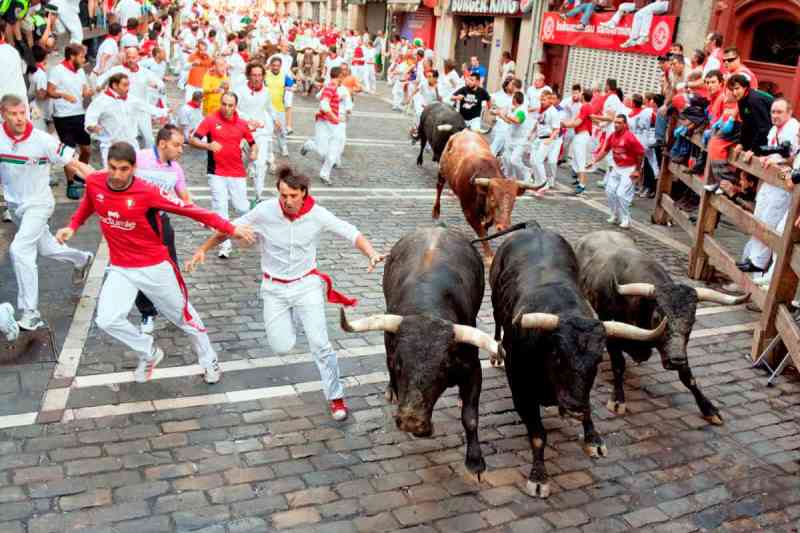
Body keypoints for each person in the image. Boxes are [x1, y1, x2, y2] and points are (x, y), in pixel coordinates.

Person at [186, 166, 384, 421]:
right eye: (282, 195)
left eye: (292, 196)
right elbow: (229, 227)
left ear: (304, 193)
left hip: (306, 285)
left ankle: (336, 397)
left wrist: (371, 253)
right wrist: (204, 248)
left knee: (321, 344)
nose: (286, 201)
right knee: (281, 346)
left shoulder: (318, 215)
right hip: (274, 288)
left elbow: (351, 232)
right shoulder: (265, 211)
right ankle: (292, 318)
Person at [56, 141, 255, 384]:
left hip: (154, 267)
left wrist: (230, 228)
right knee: (106, 319)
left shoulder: (147, 191)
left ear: (134, 167)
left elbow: (192, 210)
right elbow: (89, 204)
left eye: (124, 169)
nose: (117, 175)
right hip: (121, 267)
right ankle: (149, 352)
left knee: (185, 318)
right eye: (113, 168)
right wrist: (72, 226)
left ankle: (209, 359)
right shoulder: (97, 181)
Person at [0, 94, 96, 331]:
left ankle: (30, 313)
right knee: (46, 248)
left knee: (20, 249)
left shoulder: (43, 140)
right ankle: (82, 259)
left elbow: (74, 163)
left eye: (23, 112)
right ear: (3, 114)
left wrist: (103, 182)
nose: (20, 118)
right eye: (14, 114)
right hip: (16, 206)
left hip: (40, 204)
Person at [132, 125, 192, 333]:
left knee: (171, 268)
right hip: (136, 225)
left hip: (161, 223)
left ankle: (179, 309)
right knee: (141, 270)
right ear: (162, 143)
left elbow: (185, 199)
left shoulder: (176, 169)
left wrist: (204, 219)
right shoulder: (139, 158)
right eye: (177, 145)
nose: (181, 150)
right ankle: (147, 313)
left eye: (182, 145)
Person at [190, 92, 257, 258]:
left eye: (231, 105)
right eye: (224, 104)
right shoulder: (210, 120)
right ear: (221, 103)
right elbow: (192, 140)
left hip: (237, 172)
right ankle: (224, 246)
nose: (227, 108)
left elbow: (253, 144)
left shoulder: (242, 124)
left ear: (236, 106)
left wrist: (254, 153)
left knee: (241, 207)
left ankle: (253, 214)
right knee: (221, 209)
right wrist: (207, 145)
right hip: (216, 172)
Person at [737, 98, 799, 275]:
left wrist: (778, 164)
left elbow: (793, 162)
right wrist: (769, 158)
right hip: (771, 181)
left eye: (779, 112)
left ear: (789, 112)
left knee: (771, 224)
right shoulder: (774, 130)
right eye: (773, 112)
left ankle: (760, 267)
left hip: (782, 187)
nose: (775, 115)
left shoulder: (793, 129)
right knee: (760, 218)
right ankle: (753, 262)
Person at [84, 72, 167, 166]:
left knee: (135, 172)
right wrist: (93, 127)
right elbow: (90, 120)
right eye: (125, 85)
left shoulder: (131, 99)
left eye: (128, 85)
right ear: (115, 85)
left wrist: (164, 111)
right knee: (112, 175)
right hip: (111, 146)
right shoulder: (100, 101)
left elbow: (147, 107)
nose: (128, 88)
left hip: (131, 144)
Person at [48, 43, 93, 199]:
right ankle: (71, 182)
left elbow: (84, 89)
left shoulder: (80, 71)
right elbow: (50, 91)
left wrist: (87, 92)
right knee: (69, 152)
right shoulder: (57, 71)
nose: (83, 59)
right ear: (72, 56)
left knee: (86, 150)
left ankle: (81, 172)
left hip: (79, 114)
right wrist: (63, 95)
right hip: (62, 116)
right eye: (81, 56)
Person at [97, 47, 166, 149]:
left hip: (142, 109)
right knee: (127, 137)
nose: (131, 60)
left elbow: (160, 84)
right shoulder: (118, 70)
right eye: (129, 57)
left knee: (149, 138)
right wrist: (99, 86)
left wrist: (157, 85)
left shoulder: (144, 71)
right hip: (124, 110)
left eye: (133, 57)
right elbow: (103, 78)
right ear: (125, 57)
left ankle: (149, 159)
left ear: (138, 58)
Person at [590, 115, 644, 229]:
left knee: (621, 194)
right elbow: (605, 150)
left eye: (619, 123)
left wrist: (637, 170)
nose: (616, 125)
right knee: (609, 191)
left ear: (625, 125)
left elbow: (640, 154)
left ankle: (626, 219)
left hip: (629, 168)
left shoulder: (630, 137)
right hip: (617, 167)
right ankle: (614, 215)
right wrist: (594, 161)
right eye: (615, 122)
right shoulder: (612, 136)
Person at [235, 62, 276, 205]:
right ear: (248, 76)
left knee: (260, 164)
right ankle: (238, 195)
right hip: (240, 133)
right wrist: (248, 119)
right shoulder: (239, 90)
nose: (257, 78)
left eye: (259, 75)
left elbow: (270, 107)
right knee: (239, 165)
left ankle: (258, 196)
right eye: (254, 75)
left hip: (260, 133)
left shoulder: (266, 91)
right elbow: (234, 109)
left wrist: (275, 119)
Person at [300, 65, 345, 185]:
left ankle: (324, 175)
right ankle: (309, 145)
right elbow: (324, 105)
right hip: (324, 122)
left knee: (334, 151)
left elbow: (318, 96)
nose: (343, 78)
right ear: (339, 76)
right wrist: (334, 116)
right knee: (322, 151)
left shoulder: (332, 87)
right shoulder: (330, 87)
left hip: (335, 124)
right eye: (343, 76)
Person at [562, 89, 595, 194]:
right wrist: (566, 123)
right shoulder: (586, 106)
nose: (579, 96)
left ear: (584, 96)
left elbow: (577, 123)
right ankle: (579, 181)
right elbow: (576, 120)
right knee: (577, 159)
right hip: (581, 135)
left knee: (580, 160)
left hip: (581, 135)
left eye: (581, 94)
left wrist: (564, 124)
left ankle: (582, 185)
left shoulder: (585, 107)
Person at [599, 1, 671, 49]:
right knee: (636, 13)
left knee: (646, 11)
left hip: (663, 3)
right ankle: (632, 39)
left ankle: (644, 36)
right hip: (647, 3)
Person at [530, 90, 562, 195]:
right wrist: (532, 132)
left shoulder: (553, 112)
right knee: (533, 161)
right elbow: (538, 123)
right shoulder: (542, 110)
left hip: (546, 139)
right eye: (541, 99)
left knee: (538, 161)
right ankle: (537, 183)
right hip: (538, 138)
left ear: (550, 100)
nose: (542, 101)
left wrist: (550, 139)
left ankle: (544, 183)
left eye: (544, 99)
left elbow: (556, 129)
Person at [500, 91, 530, 183]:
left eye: (513, 98)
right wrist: (502, 116)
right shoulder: (515, 109)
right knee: (506, 158)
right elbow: (510, 122)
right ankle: (509, 176)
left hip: (520, 140)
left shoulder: (522, 110)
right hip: (512, 139)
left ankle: (526, 172)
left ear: (515, 100)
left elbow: (517, 120)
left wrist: (507, 115)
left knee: (514, 160)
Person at [265, 56, 290, 158]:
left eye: (278, 66)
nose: (275, 67)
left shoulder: (285, 76)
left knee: (281, 130)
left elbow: (293, 85)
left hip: (279, 107)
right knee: (268, 131)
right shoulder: (265, 75)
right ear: (270, 65)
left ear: (281, 66)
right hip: (266, 109)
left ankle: (283, 147)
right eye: (274, 65)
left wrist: (291, 87)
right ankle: (269, 151)